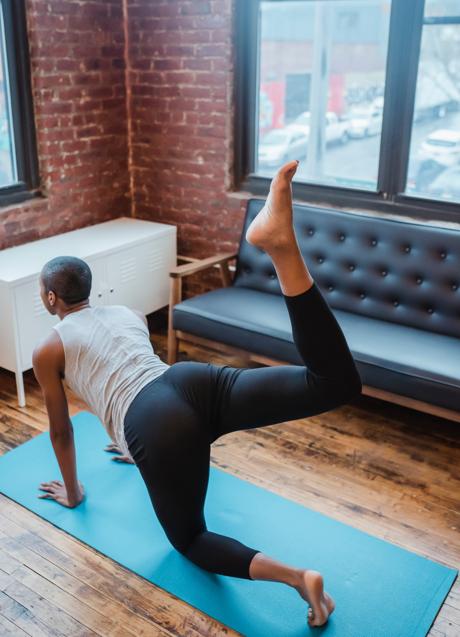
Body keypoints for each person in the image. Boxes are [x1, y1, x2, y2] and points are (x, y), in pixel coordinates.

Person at [33, 160, 362, 628]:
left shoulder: (49, 346)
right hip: (189, 383)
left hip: (158, 424)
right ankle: (284, 251)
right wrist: (137, 447)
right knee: (332, 383)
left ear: (50, 299)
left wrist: (73, 491)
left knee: (190, 541)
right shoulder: (125, 313)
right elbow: (128, 374)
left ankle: (299, 578)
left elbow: (63, 431)